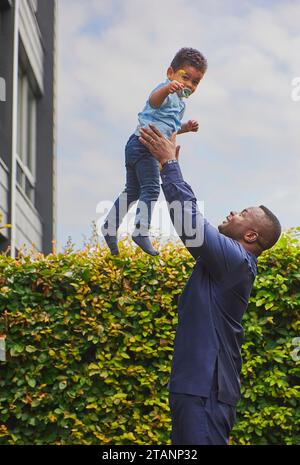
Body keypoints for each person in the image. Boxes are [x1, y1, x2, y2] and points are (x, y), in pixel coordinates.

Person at [139, 124, 282, 445]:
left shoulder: (236, 262)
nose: (233, 211)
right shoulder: (223, 262)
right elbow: (190, 218)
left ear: (251, 236)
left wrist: (169, 165)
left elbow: (190, 225)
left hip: (206, 393)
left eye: (243, 213)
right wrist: (170, 162)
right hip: (195, 389)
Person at [101, 47, 207, 256]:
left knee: (132, 191)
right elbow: (153, 101)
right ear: (171, 73)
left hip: (137, 146)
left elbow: (170, 126)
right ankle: (140, 231)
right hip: (143, 145)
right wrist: (167, 89)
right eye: (185, 77)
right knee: (151, 189)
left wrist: (185, 128)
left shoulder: (181, 104)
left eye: (195, 82)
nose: (189, 84)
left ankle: (109, 227)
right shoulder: (165, 89)